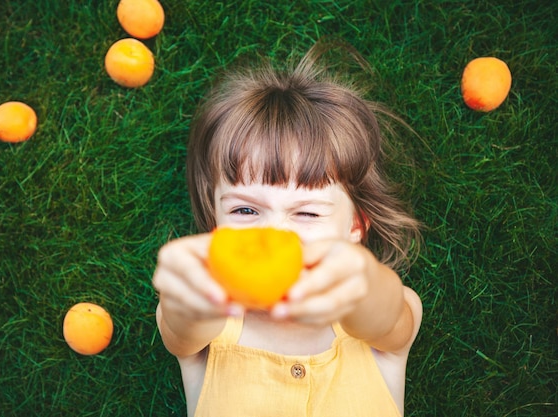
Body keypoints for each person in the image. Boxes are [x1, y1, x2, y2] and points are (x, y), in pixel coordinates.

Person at [152, 43, 423, 417]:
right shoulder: (211, 332)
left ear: (355, 227)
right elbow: (178, 326)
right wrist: (196, 293)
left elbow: (390, 314)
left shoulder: (373, 329)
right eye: (245, 209)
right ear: (216, 225)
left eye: (307, 214)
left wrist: (358, 285)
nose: (275, 233)